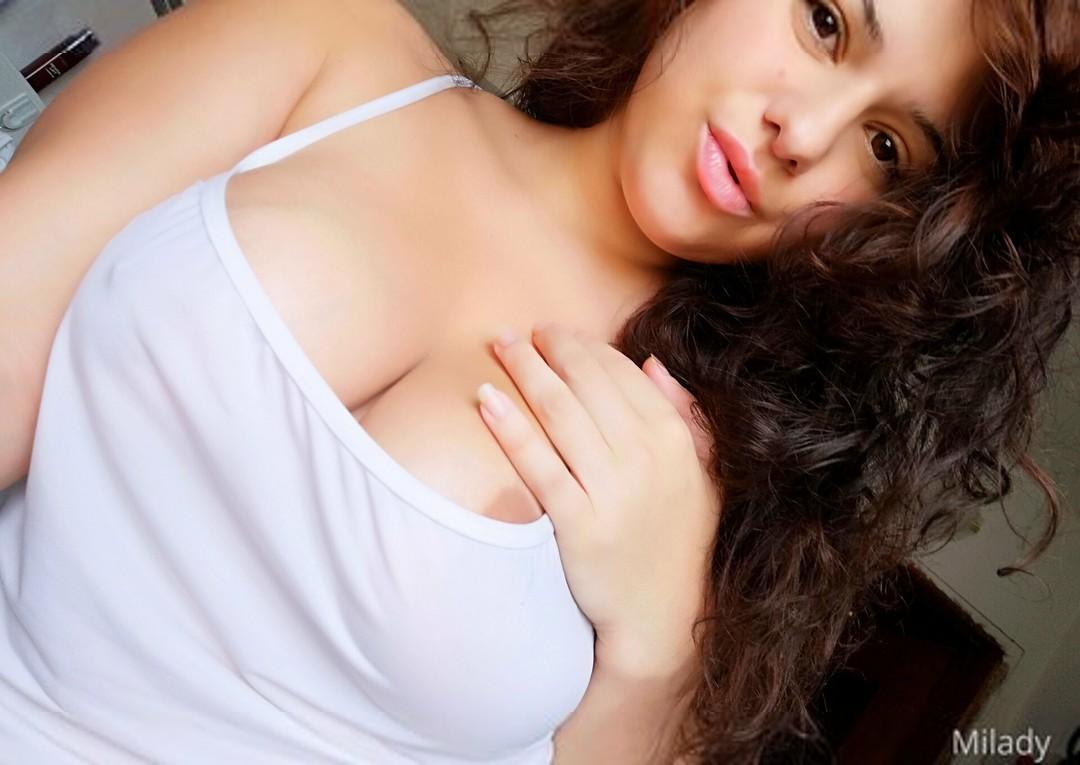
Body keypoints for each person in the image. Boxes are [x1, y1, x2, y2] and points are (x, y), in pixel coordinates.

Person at [0, 0, 1074, 762]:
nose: (803, 133)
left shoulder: (732, 497)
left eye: (885, 148)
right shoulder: (325, 48)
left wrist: (658, 644)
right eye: (826, 21)